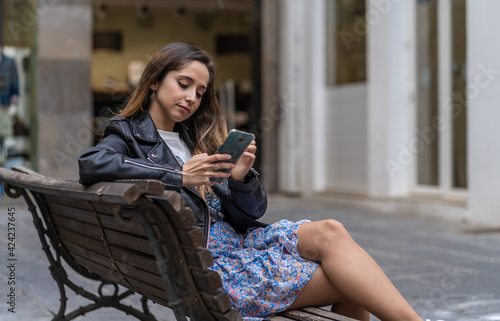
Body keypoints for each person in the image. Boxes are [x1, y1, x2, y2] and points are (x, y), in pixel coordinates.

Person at [78, 42, 422, 321]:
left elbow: (250, 213)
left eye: (199, 92)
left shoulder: (192, 138)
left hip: (242, 246)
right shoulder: (126, 133)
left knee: (331, 231)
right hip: (214, 270)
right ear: (154, 81)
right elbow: (94, 164)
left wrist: (240, 179)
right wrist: (180, 176)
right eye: (183, 84)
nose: (191, 98)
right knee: (352, 280)